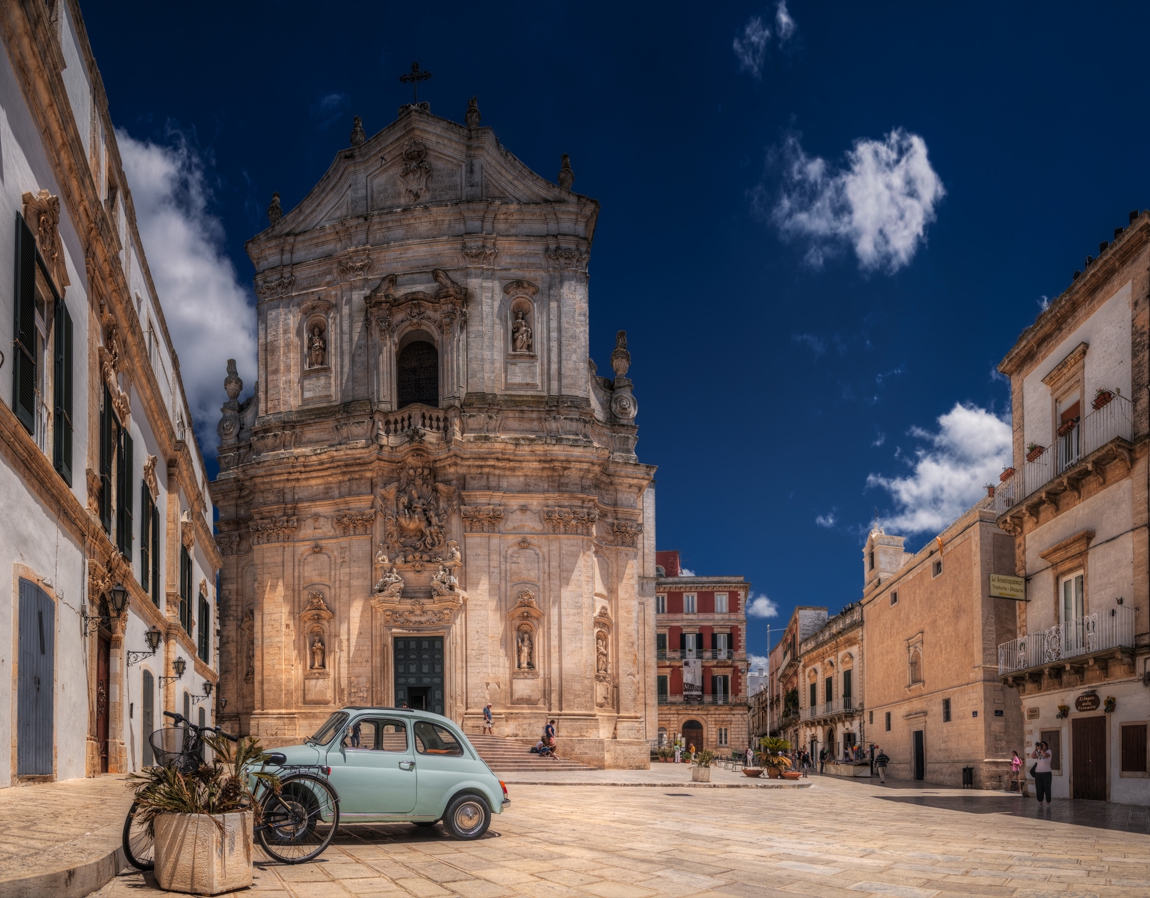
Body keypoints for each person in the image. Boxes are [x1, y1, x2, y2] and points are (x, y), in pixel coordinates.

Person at [1031, 741, 1053, 806]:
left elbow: (1045, 755)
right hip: (1038, 773)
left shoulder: (1049, 751)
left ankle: (1048, 801)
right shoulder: (1039, 752)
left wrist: (1040, 749)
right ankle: (1040, 801)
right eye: (1041, 745)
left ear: (1046, 746)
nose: (1042, 746)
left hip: (1046, 772)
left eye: (1043, 745)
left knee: (1047, 787)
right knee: (1039, 787)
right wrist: (1036, 749)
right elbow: (1032, 756)